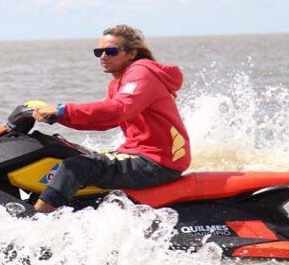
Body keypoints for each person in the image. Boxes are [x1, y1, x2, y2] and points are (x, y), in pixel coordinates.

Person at [31, 24, 191, 212]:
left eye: (111, 51)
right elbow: (105, 120)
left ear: (131, 53)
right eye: (99, 52)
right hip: (139, 154)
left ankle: (36, 221)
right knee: (69, 154)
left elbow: (118, 109)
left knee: (76, 167)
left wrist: (63, 110)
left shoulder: (142, 73)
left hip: (157, 161)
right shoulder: (117, 83)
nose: (103, 56)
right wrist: (59, 118)